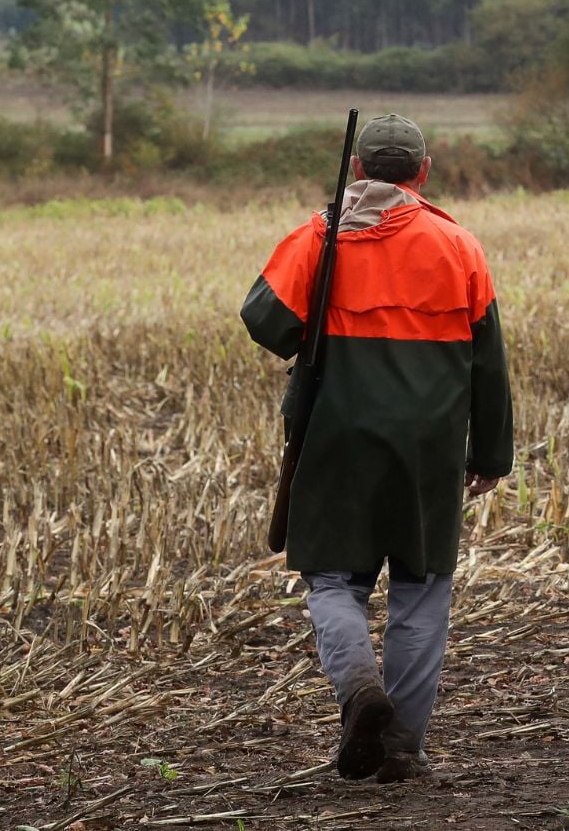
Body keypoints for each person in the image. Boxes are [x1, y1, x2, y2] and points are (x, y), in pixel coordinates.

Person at [240, 113, 513, 782]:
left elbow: (265, 322)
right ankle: (401, 748)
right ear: (422, 173)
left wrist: (323, 250)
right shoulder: (460, 246)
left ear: (359, 169)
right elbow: (489, 363)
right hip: (430, 447)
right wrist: (492, 454)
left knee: (333, 578)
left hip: (336, 436)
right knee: (421, 591)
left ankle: (362, 688)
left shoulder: (320, 236)